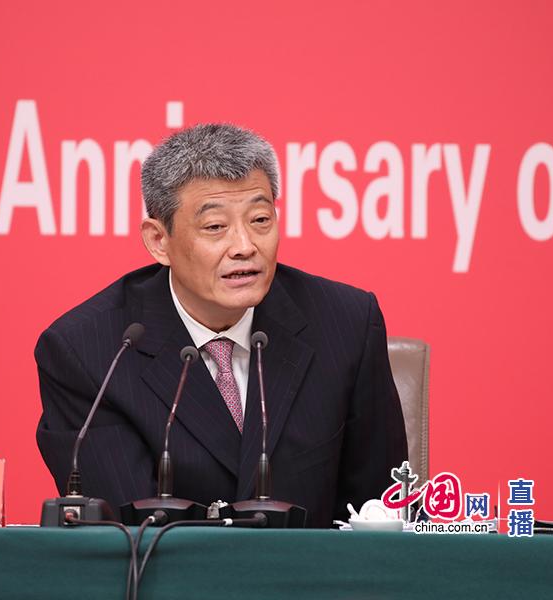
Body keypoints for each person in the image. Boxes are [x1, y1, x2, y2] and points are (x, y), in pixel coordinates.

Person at [35, 123, 407, 527]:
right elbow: (126, 531)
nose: (245, 246)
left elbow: (380, 515)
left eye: (260, 219)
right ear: (159, 240)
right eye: (215, 227)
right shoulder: (91, 352)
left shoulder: (345, 324)